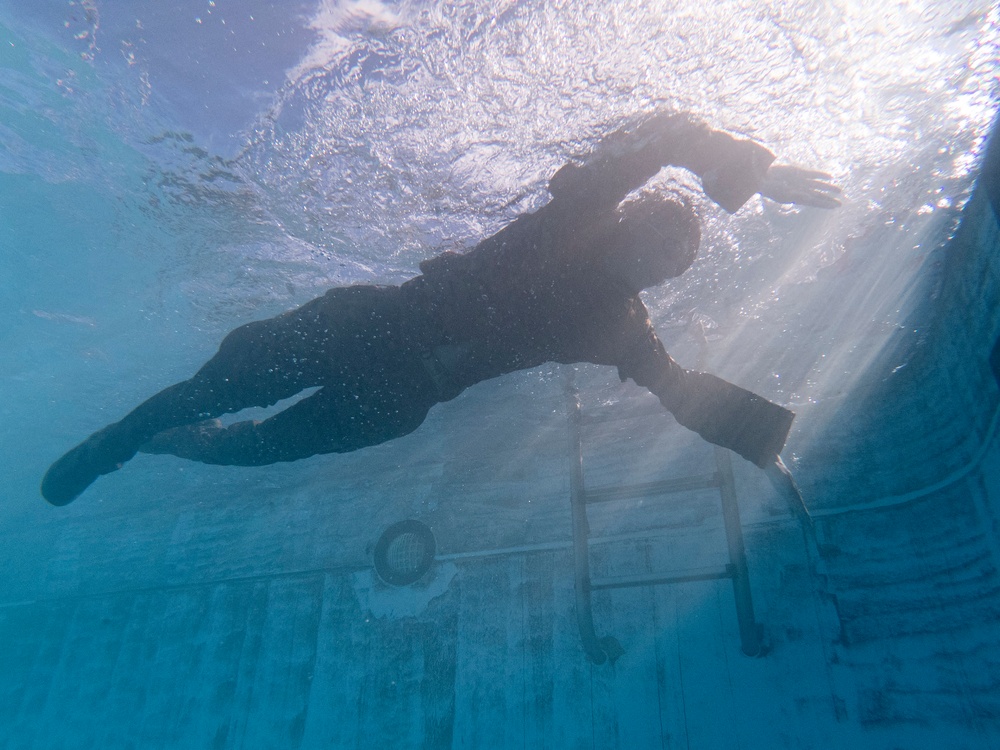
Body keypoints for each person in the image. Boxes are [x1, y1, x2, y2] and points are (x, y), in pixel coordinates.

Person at [41, 110, 840, 507]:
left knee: (251, 449)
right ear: (630, 221)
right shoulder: (579, 219)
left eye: (677, 262)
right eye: (662, 239)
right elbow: (663, 134)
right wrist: (746, 171)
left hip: (397, 400)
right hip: (361, 327)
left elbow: (680, 389)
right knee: (217, 385)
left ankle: (181, 447)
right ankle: (117, 442)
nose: (664, 263)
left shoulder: (622, 326)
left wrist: (759, 444)